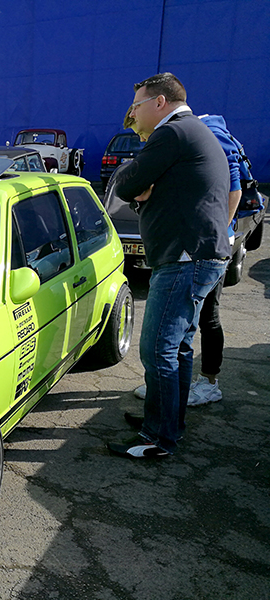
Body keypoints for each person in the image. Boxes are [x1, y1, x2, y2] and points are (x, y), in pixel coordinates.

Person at [108, 73, 231, 459]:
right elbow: (144, 190)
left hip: (183, 259)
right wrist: (144, 192)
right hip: (197, 256)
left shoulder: (172, 133)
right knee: (177, 348)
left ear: (159, 102)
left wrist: (139, 186)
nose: (133, 114)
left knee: (157, 348)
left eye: (137, 105)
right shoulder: (192, 132)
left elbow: (124, 183)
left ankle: (157, 439)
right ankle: (166, 424)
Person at [132, 114, 251, 406]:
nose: (144, 139)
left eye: (143, 134)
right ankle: (168, 388)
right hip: (199, 244)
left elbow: (234, 188)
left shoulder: (205, 134)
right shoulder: (187, 135)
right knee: (186, 322)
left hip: (206, 248)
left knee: (205, 316)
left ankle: (208, 382)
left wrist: (215, 232)